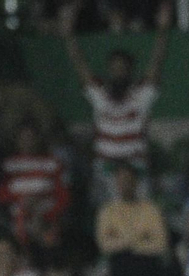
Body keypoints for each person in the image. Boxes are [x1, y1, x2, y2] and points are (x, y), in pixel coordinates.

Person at [61, 0, 172, 196]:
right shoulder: (100, 95)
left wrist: (163, 31)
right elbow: (80, 64)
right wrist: (69, 35)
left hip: (136, 168)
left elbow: (157, 63)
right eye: (114, 69)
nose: (118, 72)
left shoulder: (140, 96)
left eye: (123, 68)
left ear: (130, 71)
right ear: (109, 72)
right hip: (106, 170)